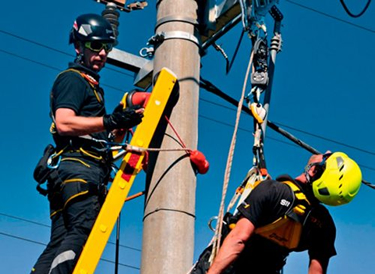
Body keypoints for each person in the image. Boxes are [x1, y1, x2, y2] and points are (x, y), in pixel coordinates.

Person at [31, 14, 144, 274]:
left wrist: (117, 127)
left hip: (70, 175)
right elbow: (65, 123)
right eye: (95, 46)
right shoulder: (73, 79)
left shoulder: (91, 86)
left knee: (59, 242)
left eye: (107, 47)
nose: (103, 53)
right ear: (78, 47)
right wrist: (110, 120)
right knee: (81, 234)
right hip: (79, 173)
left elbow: (95, 136)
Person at [206, 151, 362, 274]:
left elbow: (238, 240)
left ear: (315, 170)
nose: (326, 151)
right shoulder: (324, 225)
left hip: (225, 266)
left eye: (327, 156)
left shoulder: (273, 191)